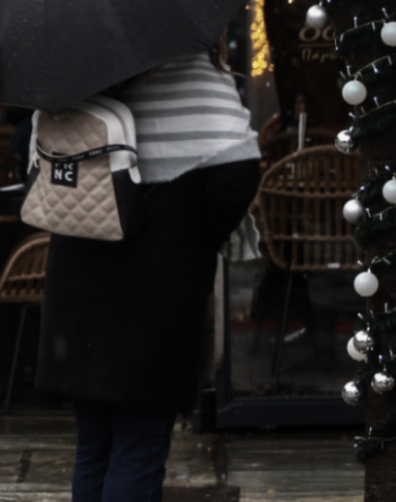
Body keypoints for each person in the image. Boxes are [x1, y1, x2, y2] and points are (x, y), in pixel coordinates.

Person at [35, 46, 261, 502]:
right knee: (140, 440)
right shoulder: (193, 68)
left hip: (78, 276)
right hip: (159, 279)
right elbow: (238, 170)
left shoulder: (67, 74)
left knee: (94, 442)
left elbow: (41, 175)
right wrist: (197, 234)